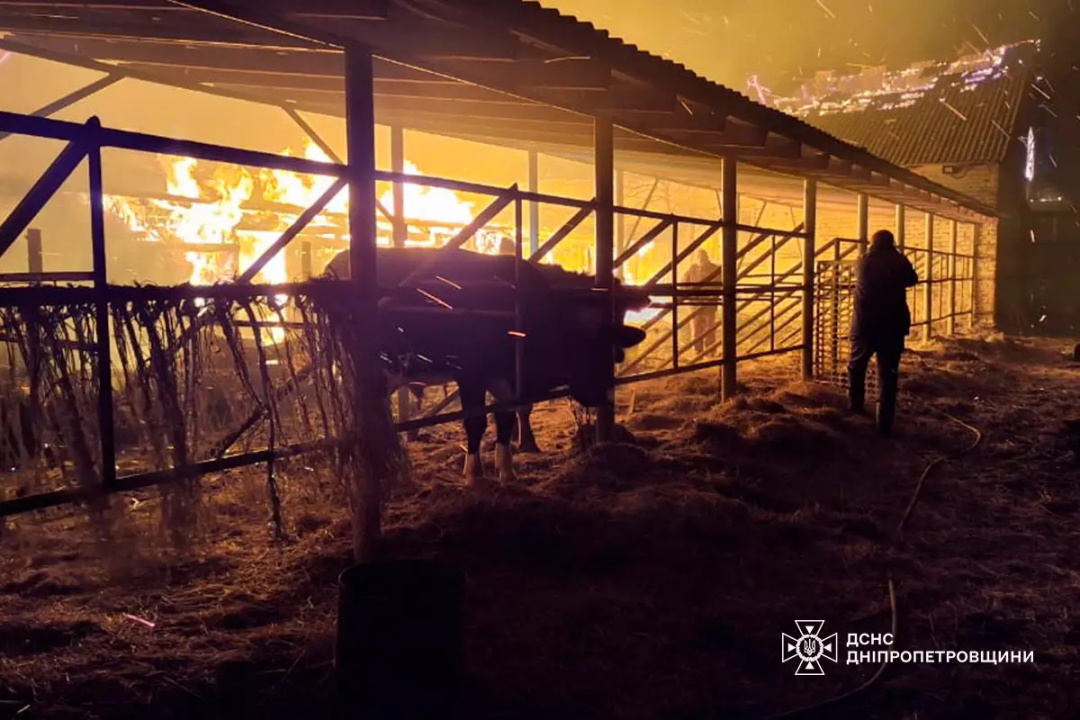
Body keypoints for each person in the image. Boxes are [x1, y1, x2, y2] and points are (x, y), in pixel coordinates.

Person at [848, 229, 919, 435]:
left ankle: (855, 408)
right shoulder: (898, 261)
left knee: (856, 366)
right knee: (887, 373)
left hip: (865, 325)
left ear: (872, 243)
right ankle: (884, 423)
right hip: (891, 326)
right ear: (892, 243)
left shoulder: (862, 261)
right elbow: (912, 279)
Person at [681, 249, 720, 357]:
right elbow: (684, 283)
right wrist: (689, 295)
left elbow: (720, 284)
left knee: (709, 328)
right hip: (695, 304)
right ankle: (698, 351)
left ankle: (710, 351)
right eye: (699, 257)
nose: (701, 259)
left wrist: (713, 296)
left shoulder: (715, 269)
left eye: (702, 256)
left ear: (707, 257)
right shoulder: (692, 269)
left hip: (709, 304)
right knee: (696, 329)